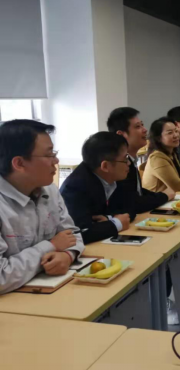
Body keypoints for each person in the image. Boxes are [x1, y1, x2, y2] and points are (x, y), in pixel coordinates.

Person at [0, 120, 84, 294]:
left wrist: (68, 255)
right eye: (49, 155)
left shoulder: (49, 189)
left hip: (50, 289)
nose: (56, 160)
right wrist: (50, 246)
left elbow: (72, 235)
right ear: (19, 163)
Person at [60, 132, 134, 245]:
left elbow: (131, 207)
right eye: (125, 159)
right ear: (105, 166)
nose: (128, 163)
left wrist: (109, 218)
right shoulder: (75, 187)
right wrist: (116, 223)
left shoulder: (114, 176)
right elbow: (80, 233)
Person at [107, 107, 175, 212]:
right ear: (121, 135)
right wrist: (164, 196)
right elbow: (132, 203)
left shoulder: (131, 160)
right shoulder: (118, 165)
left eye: (142, 125)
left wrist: (162, 195)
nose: (145, 130)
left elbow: (137, 192)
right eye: (138, 126)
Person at [142, 117, 180, 192]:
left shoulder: (171, 154)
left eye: (176, 131)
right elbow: (178, 186)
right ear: (158, 138)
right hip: (158, 199)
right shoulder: (157, 158)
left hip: (171, 196)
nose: (176, 135)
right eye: (170, 133)